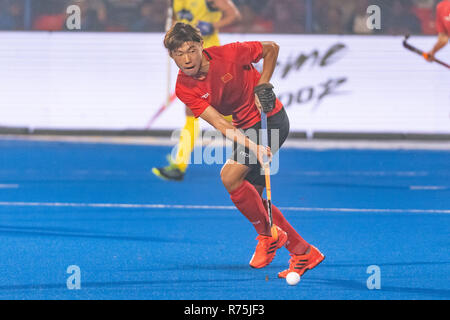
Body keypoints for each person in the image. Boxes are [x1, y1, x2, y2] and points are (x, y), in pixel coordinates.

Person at [163, 22, 324, 278]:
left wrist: (263, 84)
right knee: (255, 202)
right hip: (244, 130)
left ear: (202, 46)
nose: (187, 58)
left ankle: (268, 236)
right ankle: (303, 251)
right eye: (179, 54)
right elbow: (219, 123)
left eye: (191, 50)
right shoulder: (184, 88)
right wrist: (255, 147)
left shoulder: (230, 53)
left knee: (229, 177)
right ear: (172, 57)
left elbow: (271, 48)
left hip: (269, 119)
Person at [152, 0, 241, 181]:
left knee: (216, 110)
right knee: (194, 109)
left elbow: (234, 15)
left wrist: (213, 25)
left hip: (210, 60)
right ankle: (179, 164)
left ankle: (252, 141)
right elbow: (177, 24)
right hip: (192, 63)